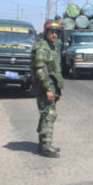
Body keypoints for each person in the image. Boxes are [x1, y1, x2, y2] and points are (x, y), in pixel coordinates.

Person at [30, 20, 64, 158]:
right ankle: (46, 147)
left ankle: (44, 143)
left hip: (51, 86)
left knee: (46, 114)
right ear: (46, 33)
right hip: (45, 87)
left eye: (56, 32)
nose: (54, 34)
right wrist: (48, 89)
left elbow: (55, 71)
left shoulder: (52, 47)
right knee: (49, 115)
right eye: (52, 32)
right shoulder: (42, 48)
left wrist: (58, 90)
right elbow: (40, 70)